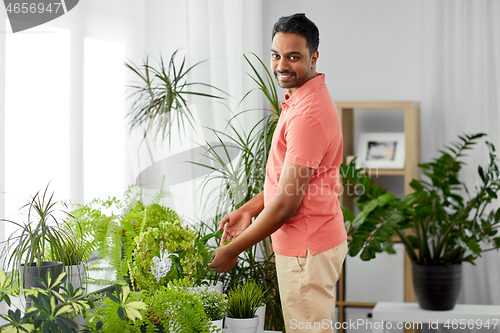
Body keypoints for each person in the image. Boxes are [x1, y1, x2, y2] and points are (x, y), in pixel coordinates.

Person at [208, 13, 347, 333]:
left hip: (305, 249)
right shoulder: (301, 99)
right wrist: (246, 210)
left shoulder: (307, 115)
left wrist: (233, 249)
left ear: (313, 57)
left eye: (293, 57)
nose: (281, 65)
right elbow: (288, 184)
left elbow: (286, 204)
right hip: (314, 241)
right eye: (276, 55)